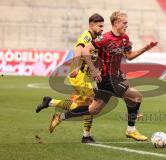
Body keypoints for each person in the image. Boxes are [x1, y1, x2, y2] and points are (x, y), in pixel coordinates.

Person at [50, 11, 158, 141]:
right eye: (124, 23)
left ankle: (60, 117)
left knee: (93, 109)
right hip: (106, 78)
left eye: (127, 23)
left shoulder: (125, 38)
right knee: (137, 96)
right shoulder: (105, 38)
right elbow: (85, 50)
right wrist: (94, 69)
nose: (126, 25)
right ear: (116, 23)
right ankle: (131, 130)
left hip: (115, 77)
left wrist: (145, 49)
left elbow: (129, 56)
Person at [35, 13, 104, 143]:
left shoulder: (97, 38)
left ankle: (50, 102)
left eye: (103, 26)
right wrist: (77, 68)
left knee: (81, 106)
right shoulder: (86, 37)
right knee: (91, 104)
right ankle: (86, 135)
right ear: (91, 25)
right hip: (79, 75)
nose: (102, 28)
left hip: (86, 76)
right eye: (99, 26)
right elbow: (79, 50)